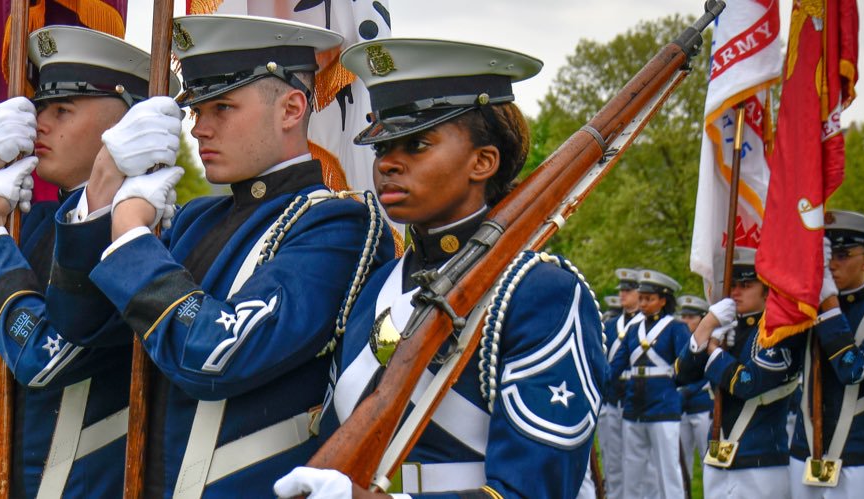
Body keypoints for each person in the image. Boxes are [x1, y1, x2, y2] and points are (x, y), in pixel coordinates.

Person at [55, 14, 384, 497]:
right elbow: (80, 326)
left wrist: (129, 233)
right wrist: (104, 184)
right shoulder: (196, 219)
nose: (199, 129)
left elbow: (218, 355)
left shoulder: (335, 224)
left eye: (223, 107)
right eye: (196, 110)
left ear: (292, 108)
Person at [272, 37, 605, 498]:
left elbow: (535, 489)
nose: (388, 162)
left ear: (483, 161)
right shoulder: (375, 287)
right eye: (382, 145)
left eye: (416, 145)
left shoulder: (537, 290)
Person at [0, 29, 175, 496]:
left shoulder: (153, 231)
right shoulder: (32, 225)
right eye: (40, 107)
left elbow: (48, 358)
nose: (38, 124)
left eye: (61, 110)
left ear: (127, 122)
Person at [788, 210, 864, 498]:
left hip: (861, 456)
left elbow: (854, 371)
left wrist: (830, 307)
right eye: (826, 256)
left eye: (843, 255)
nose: (832, 265)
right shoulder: (803, 312)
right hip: (804, 451)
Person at [677, 247, 802, 497]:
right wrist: (706, 325)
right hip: (717, 460)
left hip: (761, 460)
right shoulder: (724, 330)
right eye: (732, 283)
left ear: (766, 289)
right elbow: (682, 374)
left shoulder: (779, 332)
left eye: (745, 284)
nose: (735, 291)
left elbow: (748, 384)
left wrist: (712, 350)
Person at [611, 269, 691, 499]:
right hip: (634, 405)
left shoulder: (675, 328)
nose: (644, 303)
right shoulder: (634, 330)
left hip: (663, 405)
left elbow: (686, 366)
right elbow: (617, 366)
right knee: (632, 471)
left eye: (649, 299)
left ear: (663, 301)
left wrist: (680, 395)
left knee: (668, 471)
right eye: (642, 298)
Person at [602, 267, 642, 498]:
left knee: (637, 460)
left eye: (629, 290)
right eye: (622, 291)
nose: (623, 295)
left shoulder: (647, 324)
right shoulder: (610, 325)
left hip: (636, 395)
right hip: (612, 397)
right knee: (612, 458)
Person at [677, 294, 713, 483]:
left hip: (702, 405)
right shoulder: (681, 340)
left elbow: (710, 374)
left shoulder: (710, 341)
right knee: (681, 465)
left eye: (691, 317)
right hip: (681, 409)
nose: (686, 321)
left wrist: (689, 390)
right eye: (684, 316)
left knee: (707, 460)